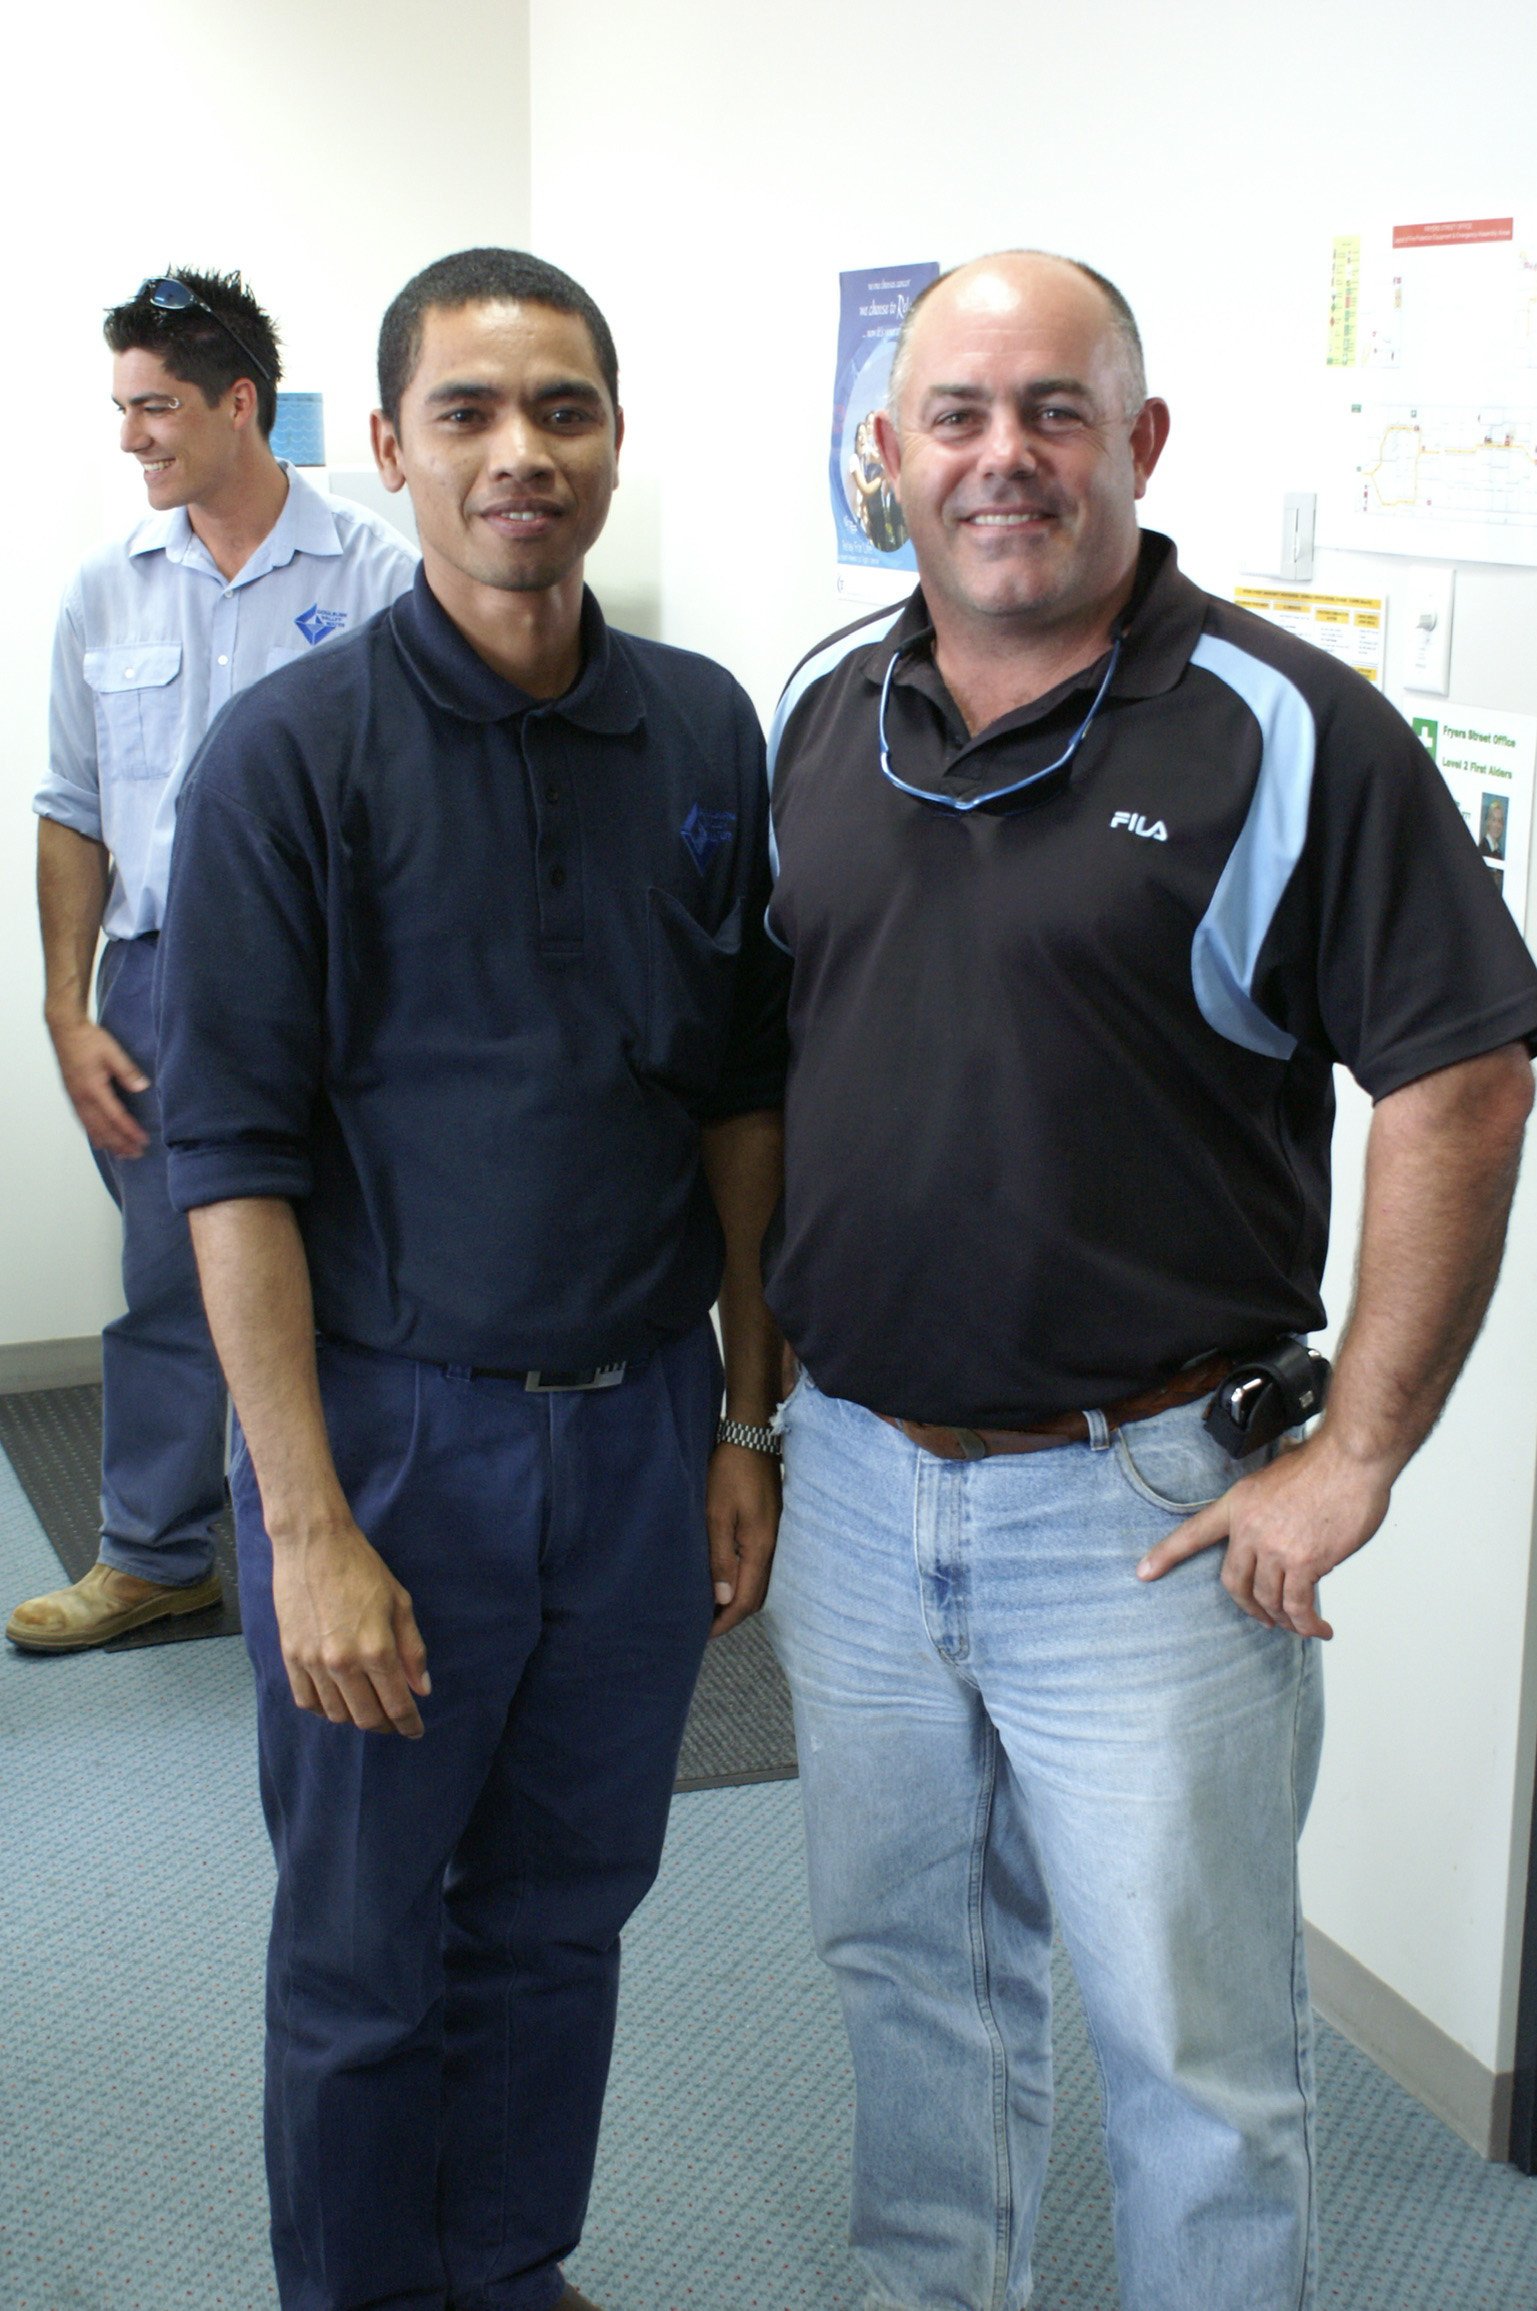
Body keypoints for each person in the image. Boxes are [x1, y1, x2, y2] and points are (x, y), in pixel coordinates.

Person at [760, 249, 1537, 2311]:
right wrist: (757, 1421)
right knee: (908, 1984)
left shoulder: (1285, 729)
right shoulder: (822, 712)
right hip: (856, 1484)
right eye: (956, 415)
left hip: (1142, 1515)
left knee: (1192, 2056)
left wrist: (1355, 1454)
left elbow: (1463, 1079)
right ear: (888, 449)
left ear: (1141, 440)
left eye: (1055, 410)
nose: (1002, 456)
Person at [154, 248, 787, 2311]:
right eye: (471, 413)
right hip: (393, 1444)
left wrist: (747, 1417)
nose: (523, 452)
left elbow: (741, 1098)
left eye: (563, 410)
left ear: (612, 439)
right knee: (364, 1947)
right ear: (392, 447)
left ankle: (505, 2268)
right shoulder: (288, 756)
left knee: (561, 1913)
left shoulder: (701, 727)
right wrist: (303, 1526)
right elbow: (230, 1168)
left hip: (637, 1435)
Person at [10, 269, 417, 1653]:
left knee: (354, 1264)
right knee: (171, 1275)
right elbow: (73, 809)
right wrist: (67, 1008)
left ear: (241, 403)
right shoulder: (104, 590)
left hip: (342, 979)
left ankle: (352, 1537)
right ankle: (154, 1554)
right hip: (160, 981)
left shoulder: (374, 576)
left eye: (158, 407)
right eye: (123, 408)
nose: (132, 436)